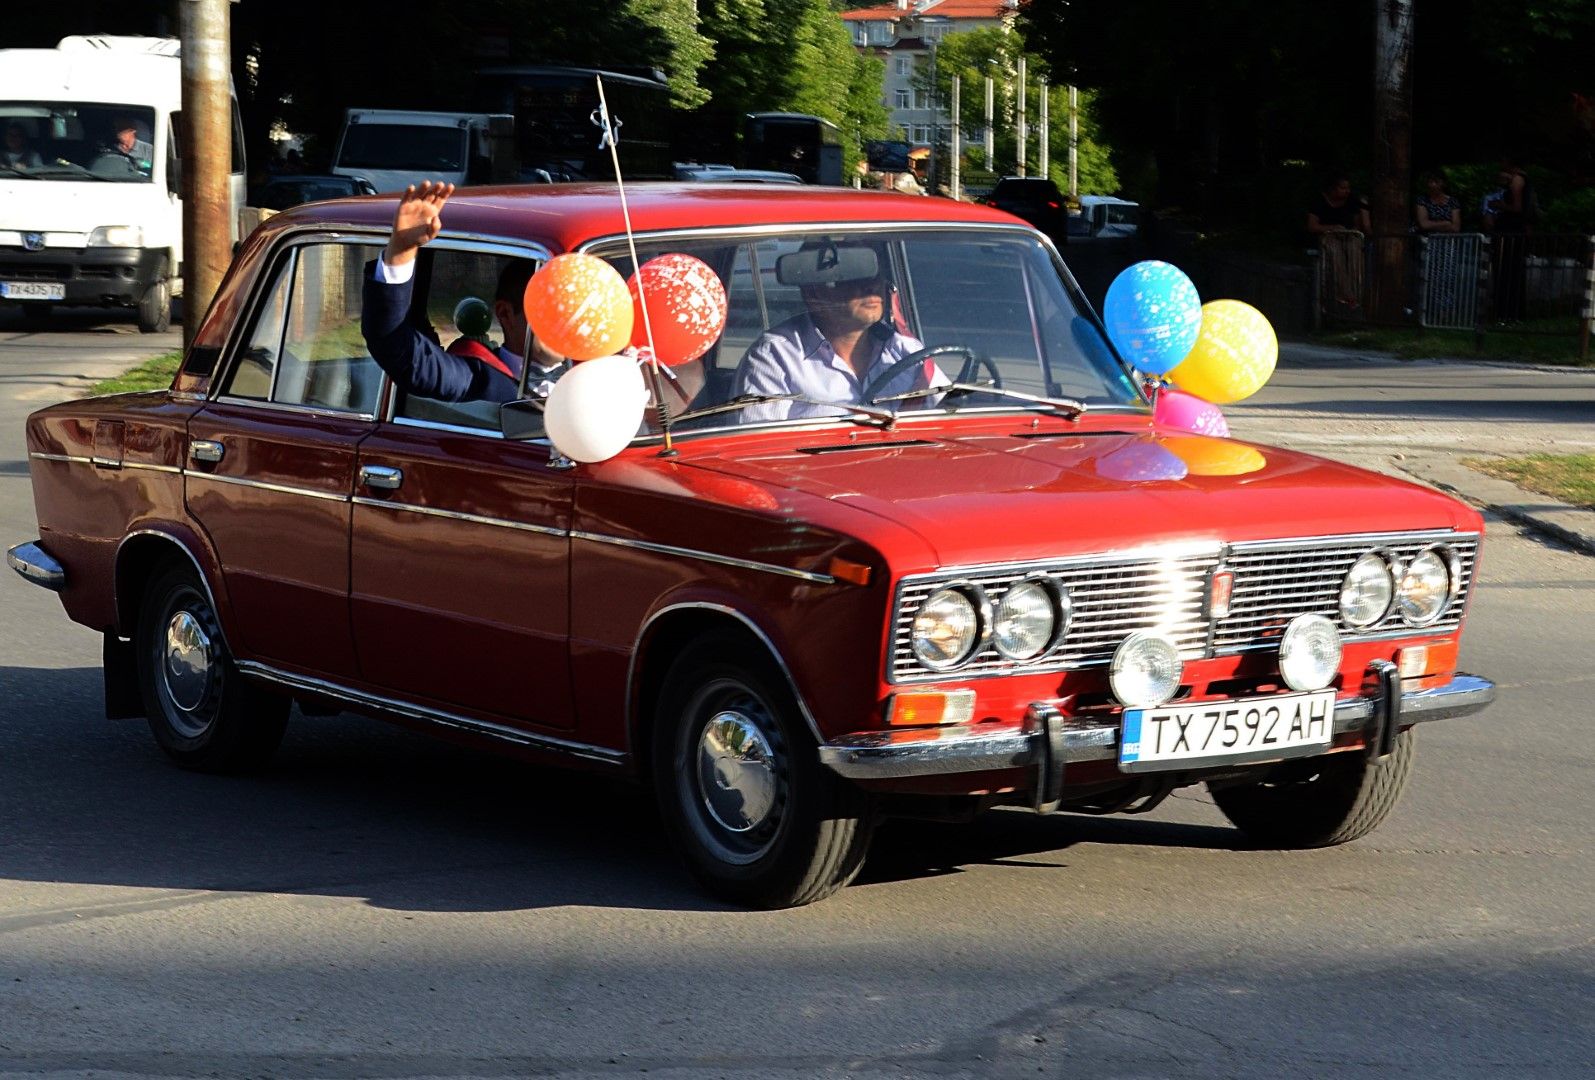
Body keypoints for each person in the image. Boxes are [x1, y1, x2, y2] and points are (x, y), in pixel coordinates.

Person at [361, 181, 566, 405]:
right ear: (506, 313)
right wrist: (401, 249)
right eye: (551, 310)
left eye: (578, 309)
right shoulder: (477, 378)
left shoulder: (601, 377)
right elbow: (398, 349)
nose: (568, 324)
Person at [731, 240, 947, 423]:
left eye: (875, 274)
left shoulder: (907, 351)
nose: (871, 286)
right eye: (852, 276)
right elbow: (761, 451)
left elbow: (949, 414)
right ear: (813, 292)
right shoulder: (775, 355)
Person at [1306, 174, 1370, 311]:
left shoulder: (1351, 201)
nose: (1347, 191)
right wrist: (1332, 228)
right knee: (1335, 252)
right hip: (1328, 237)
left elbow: (1357, 225)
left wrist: (1348, 232)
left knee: (1355, 248)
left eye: (1348, 188)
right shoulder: (1319, 201)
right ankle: (1346, 294)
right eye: (1343, 188)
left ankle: (1358, 291)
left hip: (1347, 236)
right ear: (1333, 189)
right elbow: (1312, 226)